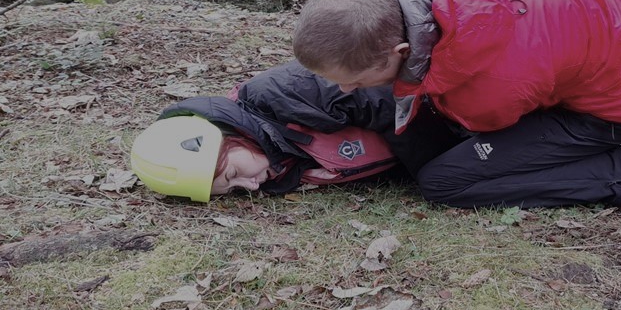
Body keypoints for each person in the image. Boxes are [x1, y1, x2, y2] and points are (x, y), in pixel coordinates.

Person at [292, 0, 621, 219]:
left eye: (356, 81)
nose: (347, 91)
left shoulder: (487, 88)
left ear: (401, 50)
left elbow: (482, 125)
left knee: (446, 180)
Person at [130, 60, 463, 202]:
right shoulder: (278, 158)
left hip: (452, 105)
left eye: (233, 172)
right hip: (444, 131)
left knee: (442, 185)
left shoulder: (279, 93)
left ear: (227, 138)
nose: (250, 185)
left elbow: (388, 102)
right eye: (233, 190)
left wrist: (439, 163)